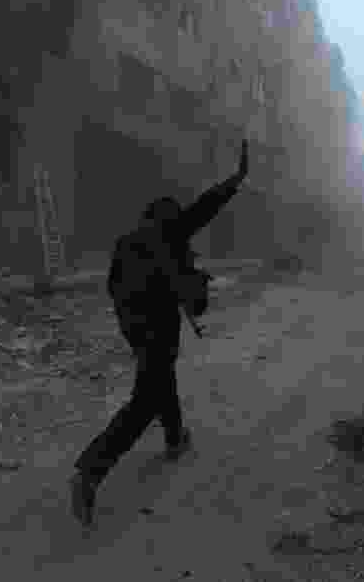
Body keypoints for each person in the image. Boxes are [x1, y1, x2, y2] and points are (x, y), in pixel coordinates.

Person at [70, 138, 250, 526]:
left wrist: (134, 324)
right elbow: (204, 207)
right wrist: (234, 181)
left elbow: (114, 287)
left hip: (133, 326)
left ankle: (173, 437)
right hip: (156, 328)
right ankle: (90, 470)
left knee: (160, 375)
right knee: (146, 399)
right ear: (168, 218)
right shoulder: (169, 234)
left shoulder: (127, 242)